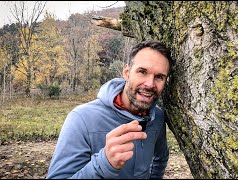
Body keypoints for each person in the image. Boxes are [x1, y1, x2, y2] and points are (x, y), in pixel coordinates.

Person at [46, 40, 172, 179]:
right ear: (126, 72)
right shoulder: (81, 119)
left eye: (159, 77)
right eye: (142, 72)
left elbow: (161, 157)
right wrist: (104, 164)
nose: (150, 84)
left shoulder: (157, 117)